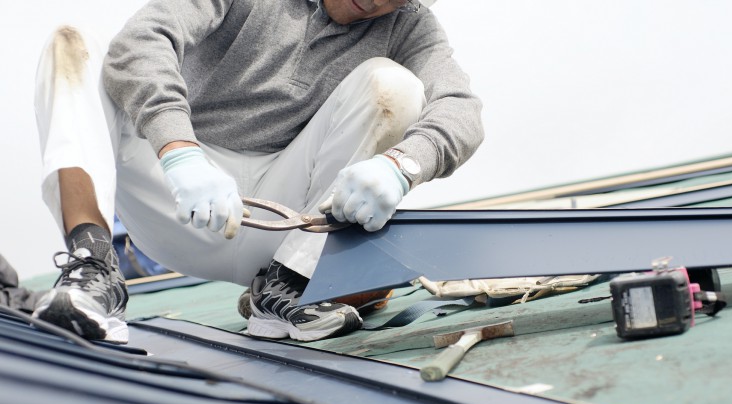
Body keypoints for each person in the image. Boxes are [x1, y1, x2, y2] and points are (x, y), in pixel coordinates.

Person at [32, 0, 484, 344]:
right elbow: (142, 42)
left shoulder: (410, 25)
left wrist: (401, 166)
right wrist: (179, 151)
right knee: (72, 44)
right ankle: (92, 270)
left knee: (394, 85)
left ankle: (289, 288)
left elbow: (462, 112)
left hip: (283, 224)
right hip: (176, 196)